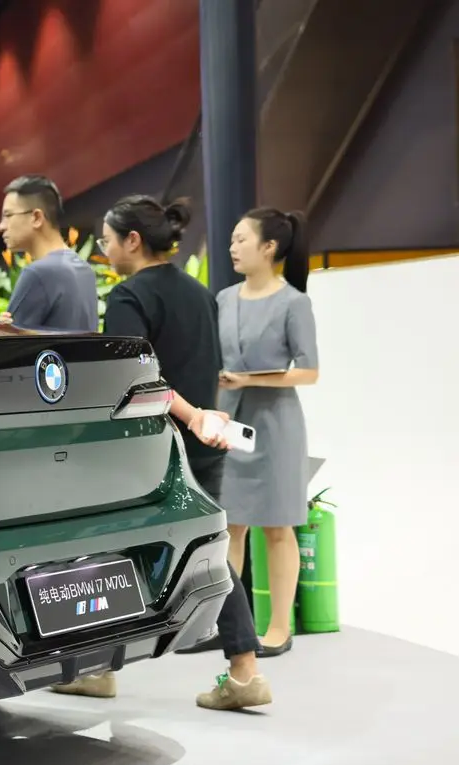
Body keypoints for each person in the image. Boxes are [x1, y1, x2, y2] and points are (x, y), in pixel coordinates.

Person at [51, 195, 271, 711]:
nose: (103, 250)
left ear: (133, 240)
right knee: (209, 552)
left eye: (107, 240)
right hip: (203, 441)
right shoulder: (199, 293)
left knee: (103, 549)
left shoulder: (128, 296)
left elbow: (133, 378)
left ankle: (98, 668)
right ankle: (244, 671)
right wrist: (200, 419)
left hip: (150, 446)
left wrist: (187, 416)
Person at [217, 208, 320, 656]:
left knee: (277, 527)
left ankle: (279, 627)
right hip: (229, 422)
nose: (232, 247)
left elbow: (309, 372)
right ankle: (226, 626)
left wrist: (249, 379)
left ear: (269, 247)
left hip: (276, 425)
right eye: (232, 240)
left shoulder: (294, 302)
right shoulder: (223, 299)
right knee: (228, 527)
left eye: (241, 239)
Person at [0, 175, 98, 332]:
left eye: (8, 216)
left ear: (36, 217)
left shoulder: (38, 273)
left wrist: (0, 331)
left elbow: (10, 341)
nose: (1, 226)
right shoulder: (85, 269)